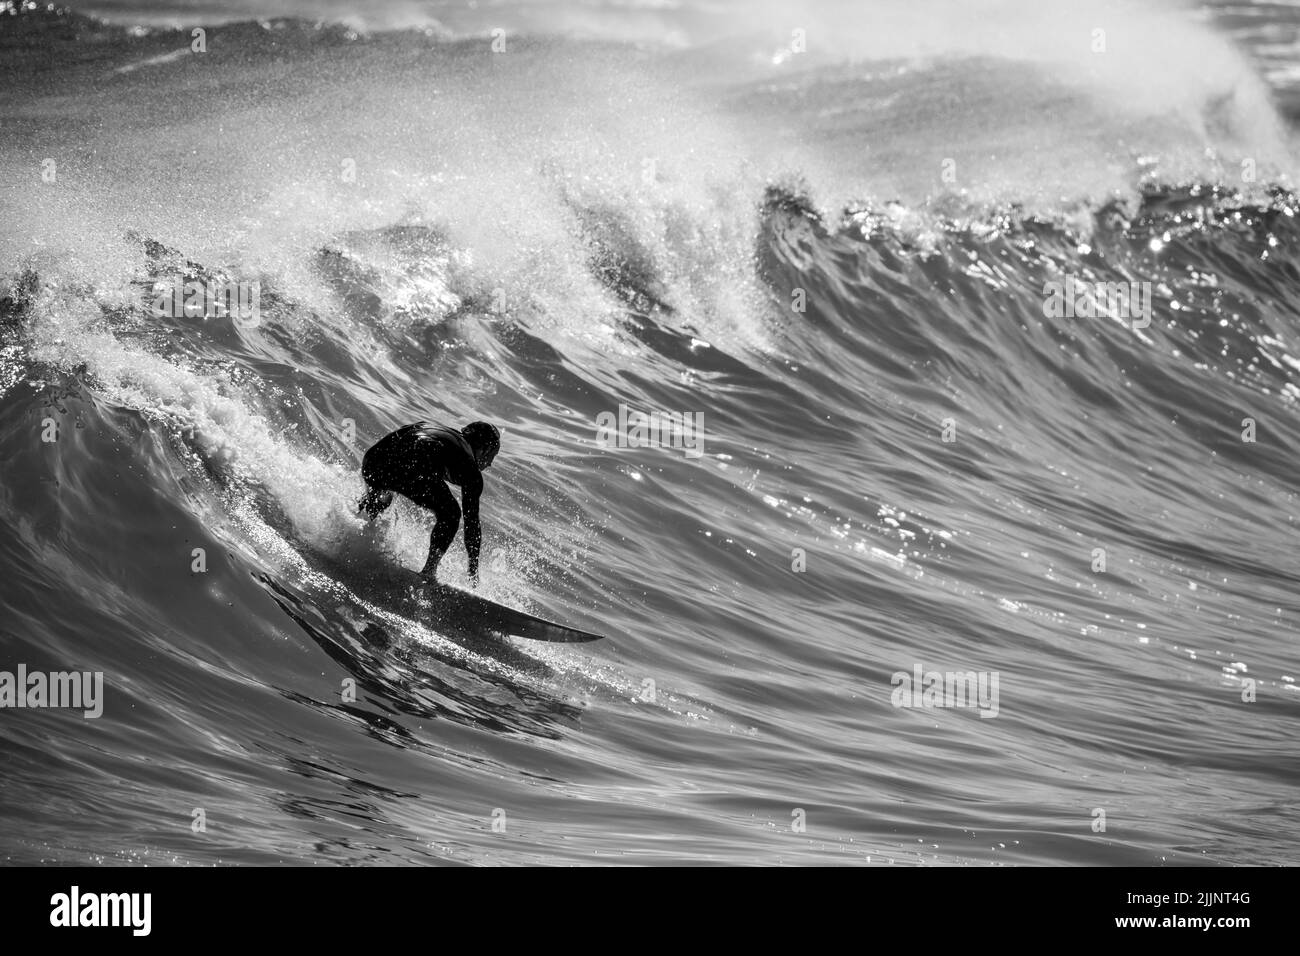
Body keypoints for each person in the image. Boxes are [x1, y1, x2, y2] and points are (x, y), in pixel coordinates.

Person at [357, 421, 500, 585]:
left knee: (382, 497)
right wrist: (473, 569)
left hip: (373, 460)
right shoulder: (470, 468)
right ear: (484, 449)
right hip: (413, 463)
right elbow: (471, 523)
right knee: (451, 513)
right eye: (492, 456)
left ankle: (354, 530)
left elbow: (398, 441)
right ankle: (428, 572)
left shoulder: (435, 428)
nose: (490, 464)